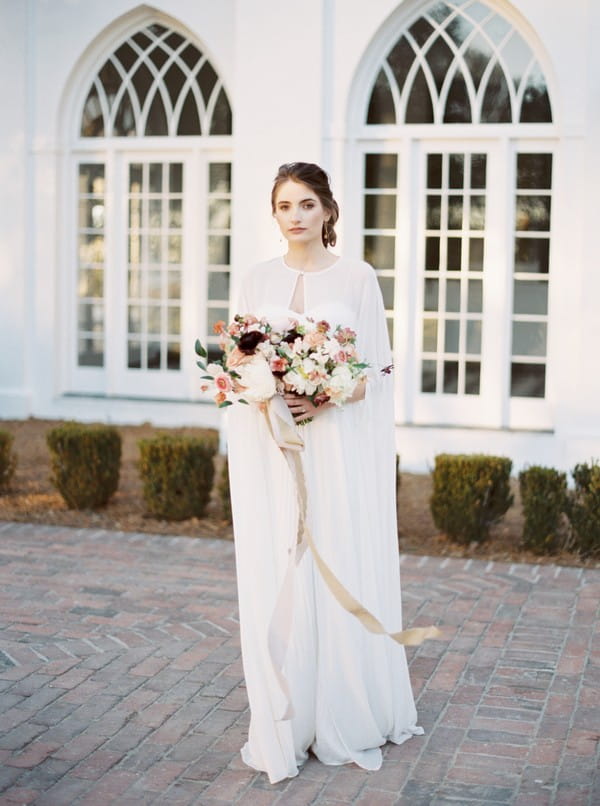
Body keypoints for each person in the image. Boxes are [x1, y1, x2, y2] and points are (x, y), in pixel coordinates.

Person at [227, 162, 423, 784]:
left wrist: (326, 393)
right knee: (281, 559)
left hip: (334, 447)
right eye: (285, 205)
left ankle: (344, 706)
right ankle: (291, 712)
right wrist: (266, 391)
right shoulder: (255, 278)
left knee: (332, 551)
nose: (296, 216)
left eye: (307, 204)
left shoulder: (358, 277)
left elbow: (376, 371)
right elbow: (236, 362)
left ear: (328, 210)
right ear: (274, 213)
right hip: (272, 448)